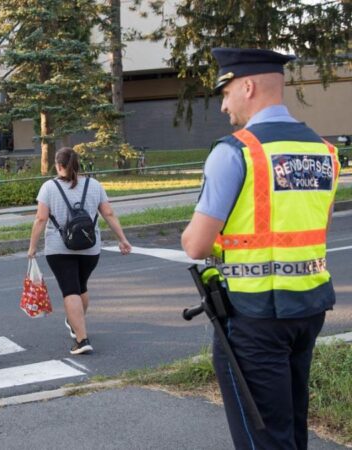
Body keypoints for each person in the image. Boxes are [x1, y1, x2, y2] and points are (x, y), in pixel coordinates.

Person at [180, 48, 340, 450]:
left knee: (264, 437)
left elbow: (196, 245)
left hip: (254, 316)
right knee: (291, 426)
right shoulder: (324, 151)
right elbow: (316, 227)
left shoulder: (236, 151)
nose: (223, 106)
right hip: (308, 308)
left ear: (247, 87)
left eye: (225, 92)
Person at [27, 148, 131, 355]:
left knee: (70, 290)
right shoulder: (94, 185)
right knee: (80, 287)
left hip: (59, 248)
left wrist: (32, 247)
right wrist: (122, 239)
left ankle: (82, 340)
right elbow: (108, 213)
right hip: (90, 248)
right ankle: (75, 322)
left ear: (58, 165)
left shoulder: (49, 187)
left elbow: (40, 219)